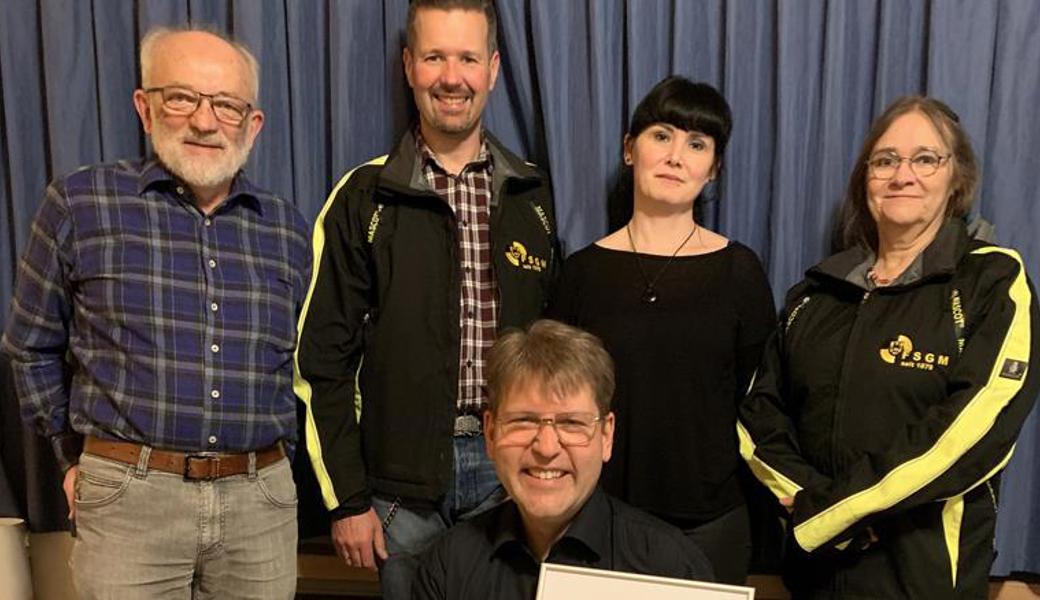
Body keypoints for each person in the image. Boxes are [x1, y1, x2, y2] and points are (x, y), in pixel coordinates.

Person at [0, 26, 311, 599]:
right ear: (145, 108)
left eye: (225, 104)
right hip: (129, 500)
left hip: (259, 503)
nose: (203, 120)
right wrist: (76, 459)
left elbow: (293, 367)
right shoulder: (80, 203)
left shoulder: (287, 229)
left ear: (253, 123)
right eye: (182, 98)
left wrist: (276, 466)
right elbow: (28, 346)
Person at [293, 0, 558, 597]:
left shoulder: (533, 195)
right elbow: (320, 362)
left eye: (467, 57)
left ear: (492, 69)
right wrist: (346, 499)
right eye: (435, 57)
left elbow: (557, 352)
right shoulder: (365, 196)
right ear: (410, 66)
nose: (451, 77)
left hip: (510, 478)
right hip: (398, 496)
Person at [737, 96, 1040, 599]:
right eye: (885, 160)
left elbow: (975, 426)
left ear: (956, 178)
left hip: (922, 579)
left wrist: (841, 511)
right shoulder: (814, 293)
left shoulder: (993, 279)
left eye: (926, 158)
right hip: (813, 575)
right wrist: (818, 510)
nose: (903, 175)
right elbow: (758, 417)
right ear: (865, 180)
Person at [548, 75, 775, 584]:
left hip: (711, 527)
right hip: (596, 521)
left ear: (713, 169)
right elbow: (558, 402)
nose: (676, 156)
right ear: (630, 149)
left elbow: (760, 400)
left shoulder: (740, 270)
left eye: (697, 144)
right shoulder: (582, 273)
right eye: (662, 135)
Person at [411, 319, 714, 599]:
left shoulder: (670, 567)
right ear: (490, 434)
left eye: (571, 423)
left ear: (606, 436)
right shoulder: (448, 565)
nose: (546, 448)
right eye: (524, 421)